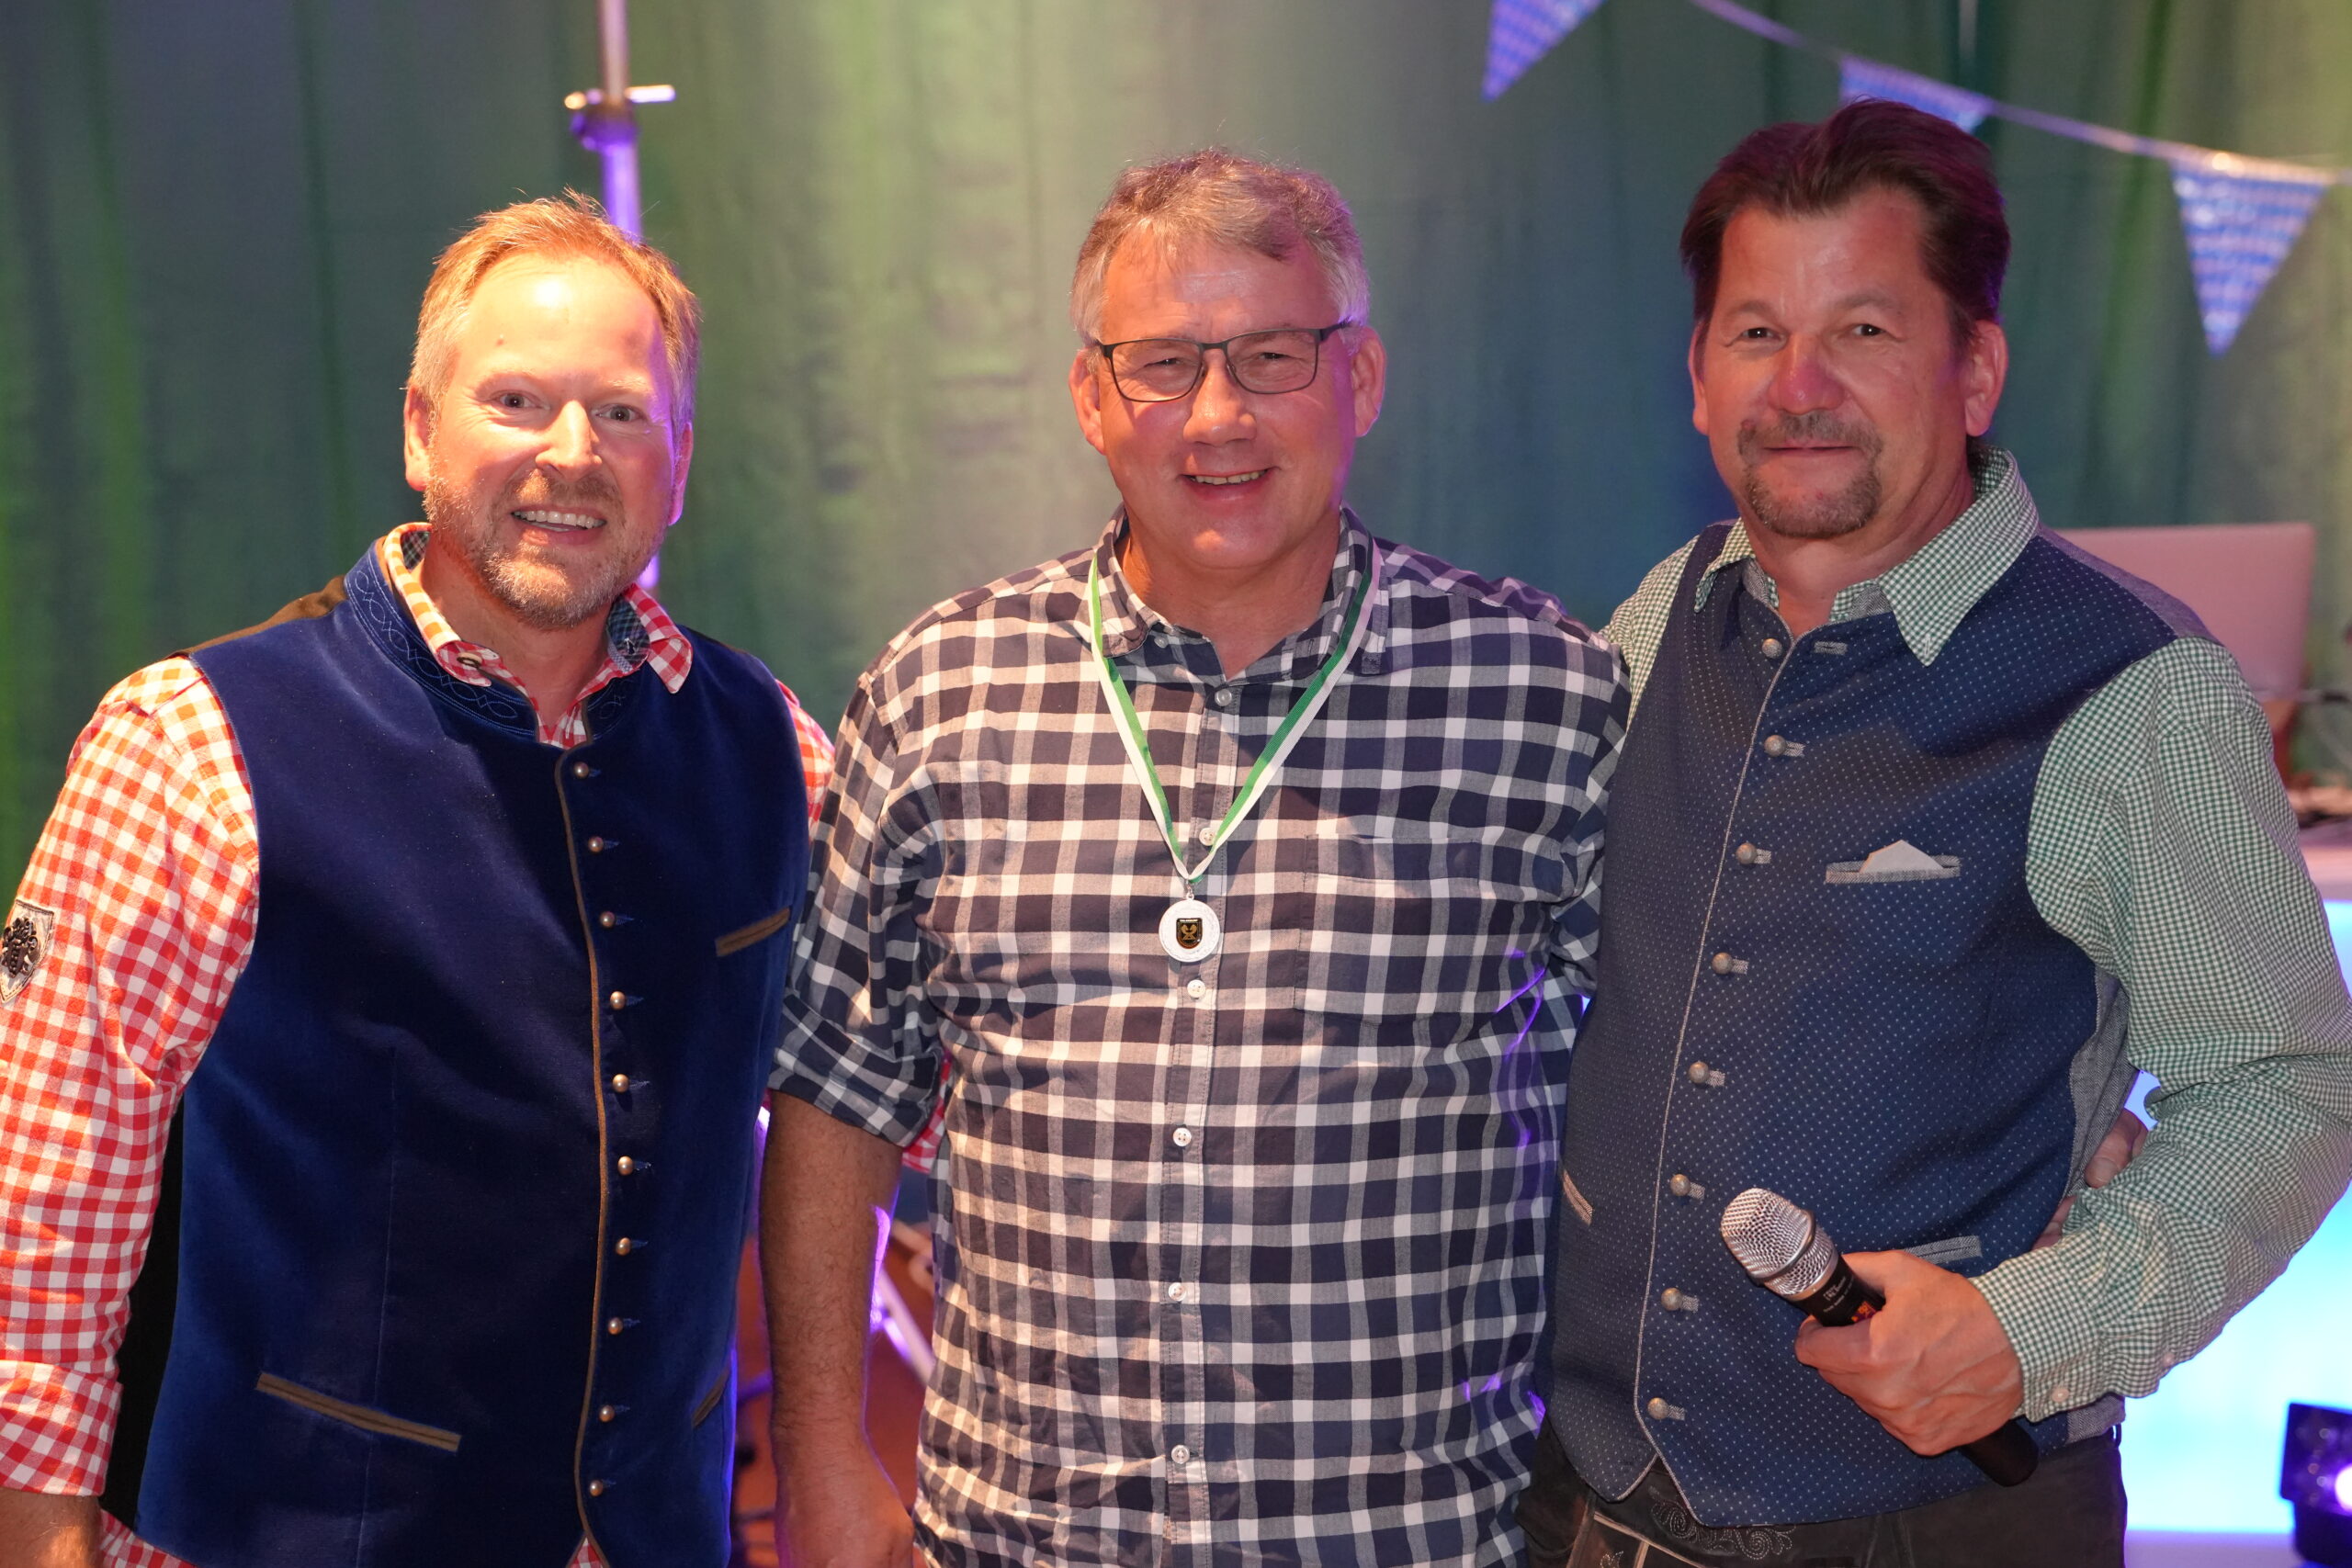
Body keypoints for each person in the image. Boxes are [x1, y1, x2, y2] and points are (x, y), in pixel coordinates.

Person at [761, 150, 1623, 1566]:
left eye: (1272, 356)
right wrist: (824, 1458)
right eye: (1163, 365)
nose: (1218, 416)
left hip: (1407, 1540)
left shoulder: (1538, 696)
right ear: (1091, 398)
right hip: (1019, 1543)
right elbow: (834, 1101)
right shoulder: (941, 695)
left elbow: (1666, 1097)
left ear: (1361, 379)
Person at [1525, 100, 2352, 1568]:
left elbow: (2286, 1084)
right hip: (1585, 1501)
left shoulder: (2133, 685)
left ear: (1975, 371)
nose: (1801, 387)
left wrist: (2035, 1329)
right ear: (1700, 377)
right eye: (1758, 333)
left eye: (1864, 331)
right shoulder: (1663, 611)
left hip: (1933, 1524)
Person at [0, 195, 831, 1568]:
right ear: (418, 431)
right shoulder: (191, 747)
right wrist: (38, 1540)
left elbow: (886, 1100)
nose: (572, 454)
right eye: (516, 401)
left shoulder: (773, 748)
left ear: (679, 464)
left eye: (623, 414)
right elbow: (46, 1198)